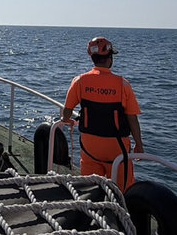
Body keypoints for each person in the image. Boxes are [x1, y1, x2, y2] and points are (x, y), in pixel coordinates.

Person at [61, 37, 143, 190]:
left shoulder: (79, 81)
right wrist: (139, 144)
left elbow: (66, 112)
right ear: (110, 58)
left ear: (92, 58)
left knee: (90, 191)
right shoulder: (123, 85)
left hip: (89, 149)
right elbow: (132, 118)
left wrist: (67, 120)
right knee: (122, 193)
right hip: (117, 152)